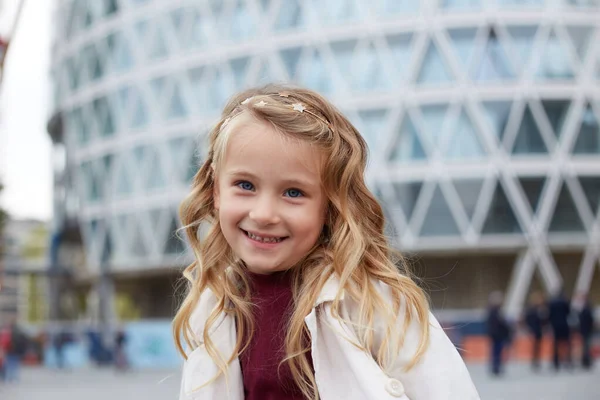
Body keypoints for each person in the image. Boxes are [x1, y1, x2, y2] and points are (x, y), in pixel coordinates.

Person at [173, 84, 480, 400]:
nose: (263, 214)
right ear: (215, 190)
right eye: (245, 185)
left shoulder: (370, 300)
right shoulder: (212, 305)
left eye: (293, 192)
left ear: (329, 207)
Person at [486, 291, 512, 376]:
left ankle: (496, 367)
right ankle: (495, 368)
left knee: (497, 352)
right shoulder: (494, 312)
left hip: (497, 335)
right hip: (496, 336)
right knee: (496, 352)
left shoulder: (495, 311)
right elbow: (498, 324)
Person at [547, 289, 573, 371]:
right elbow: (568, 312)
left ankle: (556, 362)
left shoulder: (552, 303)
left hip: (555, 326)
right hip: (564, 325)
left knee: (555, 344)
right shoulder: (565, 302)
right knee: (567, 344)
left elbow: (549, 315)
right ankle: (567, 360)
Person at [524, 291, 547, 371]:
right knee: (534, 347)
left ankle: (537, 361)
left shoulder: (541, 309)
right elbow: (528, 320)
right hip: (534, 330)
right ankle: (534, 361)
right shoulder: (531, 310)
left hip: (538, 330)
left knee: (538, 346)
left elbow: (544, 320)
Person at [576, 293, 595, 369]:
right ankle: (586, 361)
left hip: (585, 330)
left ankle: (585, 361)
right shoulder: (587, 310)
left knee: (586, 346)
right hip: (587, 330)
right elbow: (590, 321)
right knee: (586, 346)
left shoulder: (583, 310)